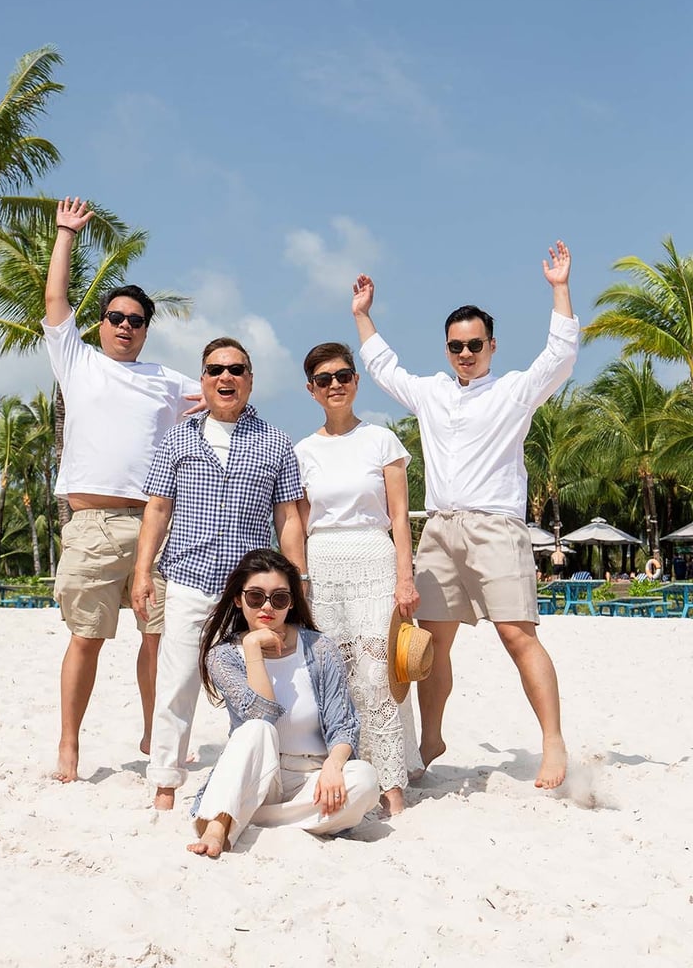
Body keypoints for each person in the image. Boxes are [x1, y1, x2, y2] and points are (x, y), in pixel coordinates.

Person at [352, 241, 578, 790]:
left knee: (516, 634)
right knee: (430, 640)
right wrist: (362, 317)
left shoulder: (516, 391)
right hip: (439, 528)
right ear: (447, 348)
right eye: (456, 346)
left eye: (475, 344)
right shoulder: (431, 393)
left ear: (492, 345)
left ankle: (552, 742)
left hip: (495, 526)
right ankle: (432, 737)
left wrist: (559, 287)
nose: (466, 353)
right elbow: (384, 368)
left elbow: (561, 356)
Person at [44, 196, 201, 783]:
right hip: (91, 524)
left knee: (159, 638)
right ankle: (68, 744)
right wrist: (66, 234)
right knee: (86, 638)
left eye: (137, 321)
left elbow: (220, 392)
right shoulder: (77, 360)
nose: (127, 327)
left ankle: (154, 733)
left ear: (145, 329)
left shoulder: (167, 381)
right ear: (102, 324)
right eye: (118, 318)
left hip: (157, 526)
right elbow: (55, 302)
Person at [132, 337, 306, 810]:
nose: (225, 377)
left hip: (252, 593)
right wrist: (142, 572)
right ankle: (165, 782)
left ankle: (258, 775)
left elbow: (288, 519)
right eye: (214, 370)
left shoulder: (275, 441)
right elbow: (158, 508)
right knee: (177, 682)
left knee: (259, 683)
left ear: (250, 379)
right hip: (187, 577)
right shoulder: (179, 437)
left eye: (236, 369)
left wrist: (300, 580)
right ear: (203, 379)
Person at [295, 342, 422, 815]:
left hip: (374, 556)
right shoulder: (302, 450)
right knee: (338, 673)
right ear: (311, 389)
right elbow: (299, 522)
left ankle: (391, 784)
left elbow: (400, 517)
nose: (335, 385)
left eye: (343, 375)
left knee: (378, 672)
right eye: (324, 379)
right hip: (324, 561)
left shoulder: (383, 440)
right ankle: (351, 772)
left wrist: (404, 578)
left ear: (356, 380)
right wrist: (301, 579)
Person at [188, 548, 380, 856]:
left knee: (365, 780)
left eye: (279, 598)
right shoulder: (224, 657)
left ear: (291, 604)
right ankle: (215, 826)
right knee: (255, 730)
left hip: (312, 778)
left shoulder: (319, 648)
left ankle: (244, 818)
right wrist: (252, 647)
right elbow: (260, 714)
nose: (267, 607)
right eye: (255, 597)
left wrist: (333, 765)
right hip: (260, 774)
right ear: (238, 599)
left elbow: (343, 723)